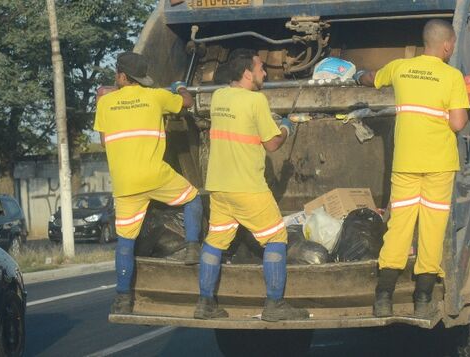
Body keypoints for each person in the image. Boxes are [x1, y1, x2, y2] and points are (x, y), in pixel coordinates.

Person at [354, 19, 470, 318]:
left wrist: (358, 76)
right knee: (431, 228)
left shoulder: (400, 68)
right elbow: (458, 123)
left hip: (405, 163)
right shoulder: (452, 76)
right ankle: (422, 299)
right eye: (453, 44)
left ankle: (383, 297)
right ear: (446, 45)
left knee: (399, 226)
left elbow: (372, 79)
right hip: (439, 165)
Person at [194, 50, 309, 321]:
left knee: (215, 241)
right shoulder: (256, 100)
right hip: (247, 186)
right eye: (260, 68)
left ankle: (205, 303)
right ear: (247, 73)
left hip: (219, 187)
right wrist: (285, 128)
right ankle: (274, 304)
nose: (265, 73)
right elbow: (272, 144)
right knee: (276, 237)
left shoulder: (219, 97)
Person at [94, 52, 204, 314]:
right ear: (141, 78)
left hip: (125, 184)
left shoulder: (105, 104)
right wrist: (179, 87)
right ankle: (192, 247)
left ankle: (123, 298)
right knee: (192, 197)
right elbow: (187, 103)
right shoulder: (156, 97)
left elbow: (103, 141)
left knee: (125, 242)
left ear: (121, 76)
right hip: (155, 176)